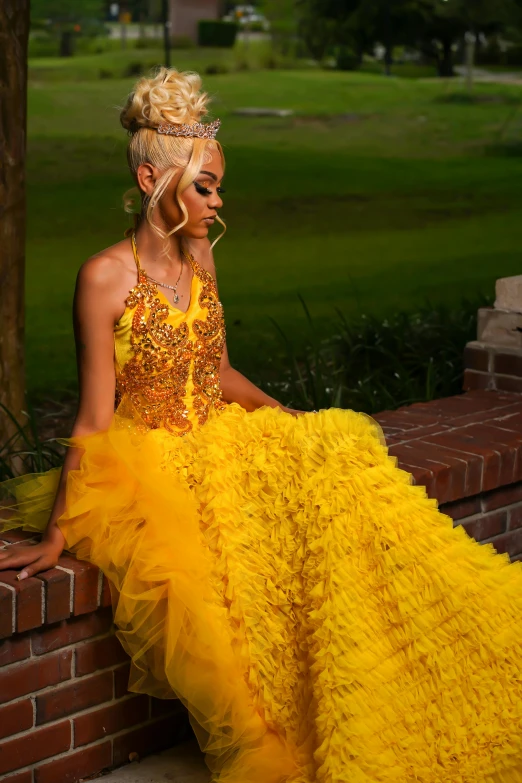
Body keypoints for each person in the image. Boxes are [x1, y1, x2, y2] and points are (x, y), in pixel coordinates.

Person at [1, 68, 522, 783]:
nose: (217, 203)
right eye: (203, 187)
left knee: (336, 462)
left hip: (220, 434)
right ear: (153, 178)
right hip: (148, 461)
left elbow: (216, 371)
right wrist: (59, 526)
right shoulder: (104, 277)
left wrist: (286, 417)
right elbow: (93, 420)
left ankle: (410, 662)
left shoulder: (200, 254)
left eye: (217, 186)